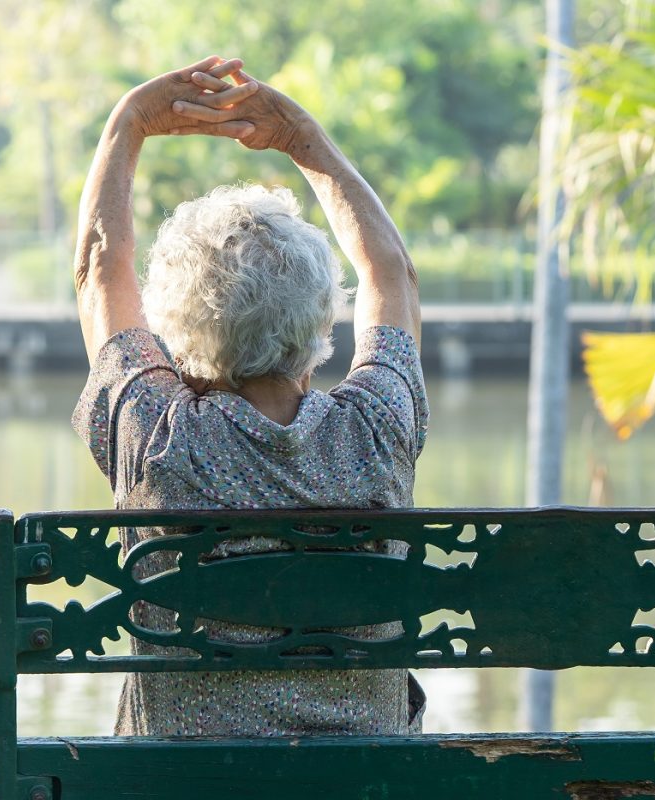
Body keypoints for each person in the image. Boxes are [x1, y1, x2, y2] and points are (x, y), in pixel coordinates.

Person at [70, 56, 427, 736]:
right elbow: (390, 272)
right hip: (368, 782)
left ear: (172, 328)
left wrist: (128, 125)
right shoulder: (378, 426)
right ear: (322, 316)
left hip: (180, 785)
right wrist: (303, 142)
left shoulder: (155, 436)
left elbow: (97, 268)